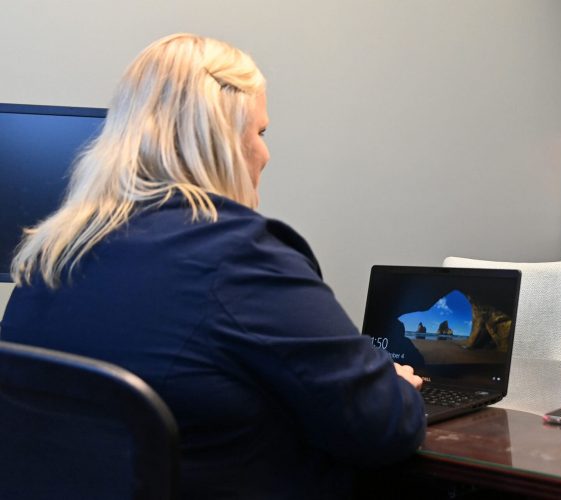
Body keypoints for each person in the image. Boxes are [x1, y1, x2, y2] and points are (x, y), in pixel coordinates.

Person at [0, 33, 425, 498]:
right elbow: (383, 427)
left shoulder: (51, 253)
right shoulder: (242, 257)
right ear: (219, 141)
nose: (266, 153)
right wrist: (394, 384)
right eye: (259, 133)